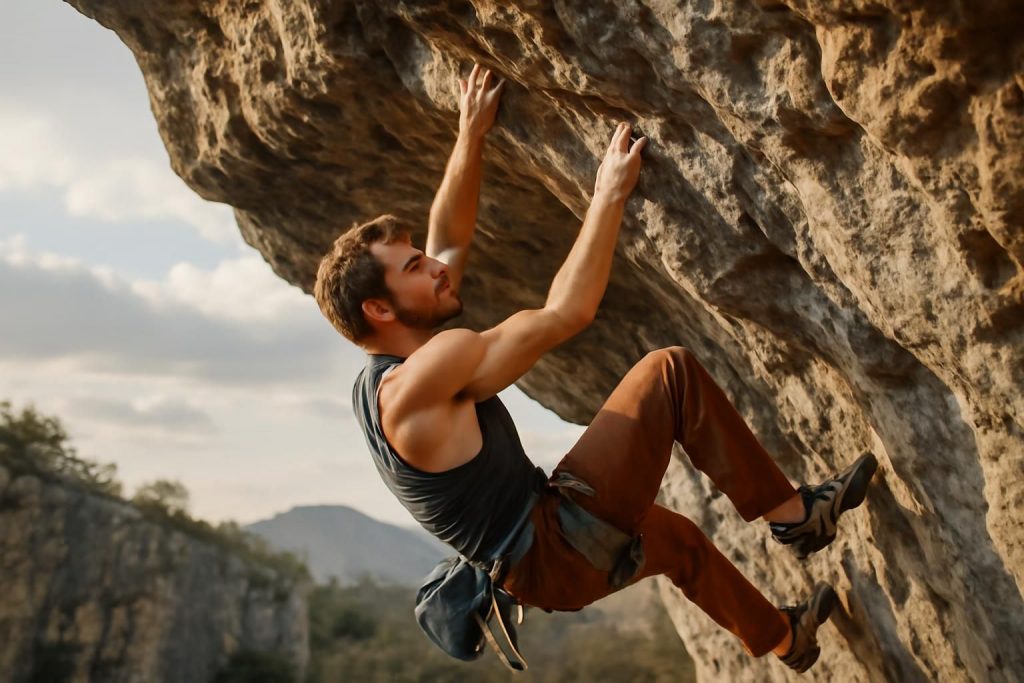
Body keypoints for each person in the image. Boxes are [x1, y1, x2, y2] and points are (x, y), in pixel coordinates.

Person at [313, 63, 877, 674]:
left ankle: (785, 640)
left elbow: (447, 239)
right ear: (379, 307)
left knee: (680, 544)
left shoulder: (383, 381)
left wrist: (470, 134)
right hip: (556, 545)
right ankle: (797, 518)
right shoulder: (429, 375)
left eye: (422, 260)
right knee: (669, 375)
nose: (437, 267)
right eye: (414, 268)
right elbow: (566, 311)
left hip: (542, 562)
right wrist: (608, 192)